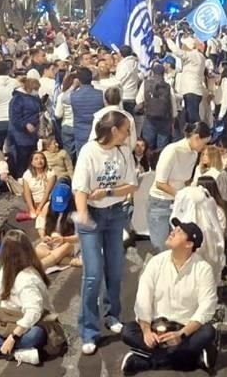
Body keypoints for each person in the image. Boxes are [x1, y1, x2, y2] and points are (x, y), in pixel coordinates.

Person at [72, 111, 139, 355]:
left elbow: (132, 185)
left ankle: (112, 315)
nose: (128, 134)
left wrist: (108, 192)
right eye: (125, 130)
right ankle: (89, 330)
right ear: (113, 131)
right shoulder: (89, 152)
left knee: (115, 269)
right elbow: (80, 188)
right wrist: (84, 216)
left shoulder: (123, 152)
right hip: (91, 214)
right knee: (92, 275)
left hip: (115, 213)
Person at [120, 220, 218, 374]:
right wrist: (146, 331)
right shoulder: (156, 262)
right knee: (127, 331)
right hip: (157, 328)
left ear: (189, 244)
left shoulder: (203, 269)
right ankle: (191, 359)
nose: (173, 231)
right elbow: (143, 299)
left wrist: (181, 334)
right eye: (175, 228)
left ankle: (147, 361)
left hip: (185, 330)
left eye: (179, 231)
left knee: (207, 332)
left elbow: (207, 307)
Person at [0, 231, 51, 366]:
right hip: (7, 318)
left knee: (35, 335)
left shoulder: (28, 279)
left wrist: (13, 337)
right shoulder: (5, 270)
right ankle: (17, 353)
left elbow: (33, 313)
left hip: (30, 323)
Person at [148, 123, 211, 252]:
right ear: (196, 138)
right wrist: (181, 195)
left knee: (178, 245)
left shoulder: (193, 154)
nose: (204, 147)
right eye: (204, 143)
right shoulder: (172, 150)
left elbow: (186, 179)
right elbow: (160, 183)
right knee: (162, 247)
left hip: (179, 202)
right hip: (160, 202)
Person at [8, 72, 42, 178]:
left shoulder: (35, 98)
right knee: (21, 160)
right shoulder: (17, 99)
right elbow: (14, 118)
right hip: (20, 136)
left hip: (33, 135)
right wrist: (25, 125)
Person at [21, 151, 57, 236]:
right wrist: (32, 208)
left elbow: (47, 193)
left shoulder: (50, 173)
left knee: (41, 216)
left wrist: (39, 208)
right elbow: (27, 193)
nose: (39, 161)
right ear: (32, 162)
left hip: (47, 201)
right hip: (34, 202)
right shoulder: (27, 174)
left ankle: (42, 236)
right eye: (36, 159)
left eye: (42, 158)